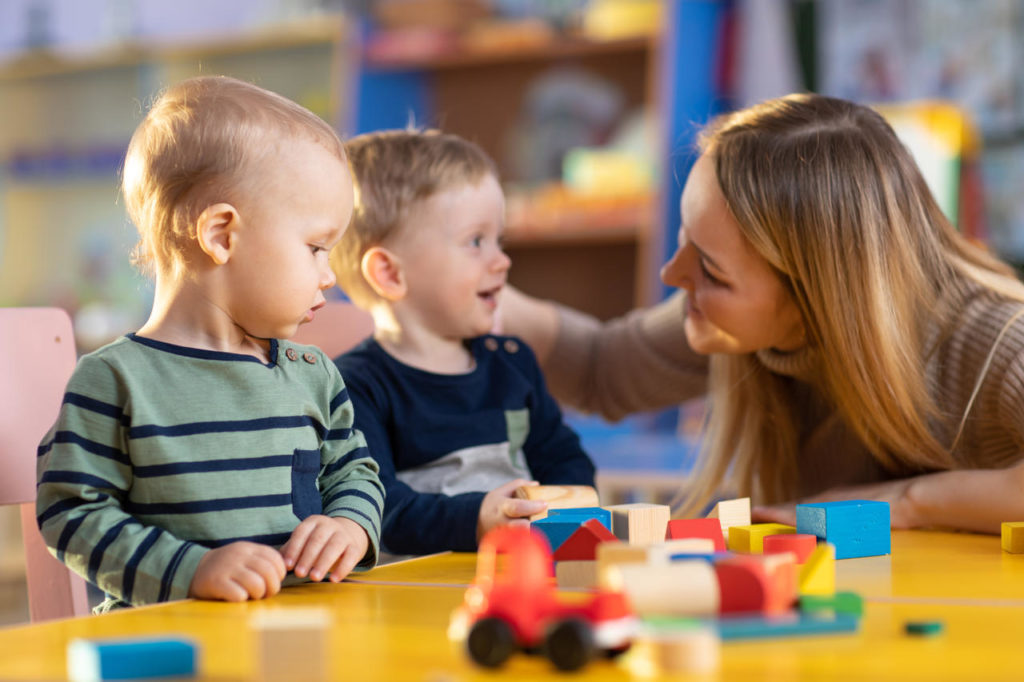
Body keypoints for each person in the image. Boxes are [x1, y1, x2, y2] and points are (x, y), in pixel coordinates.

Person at [501, 93, 1024, 535]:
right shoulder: (736, 323)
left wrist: (906, 502)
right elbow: (602, 368)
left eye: (711, 269)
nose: (672, 275)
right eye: (685, 240)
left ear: (816, 303)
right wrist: (466, 283)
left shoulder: (994, 340)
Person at [36, 76, 385, 610]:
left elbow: (353, 471)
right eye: (316, 247)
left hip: (306, 636)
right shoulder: (112, 381)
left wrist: (350, 525)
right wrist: (192, 569)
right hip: (170, 643)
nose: (329, 275)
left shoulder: (313, 373)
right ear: (222, 234)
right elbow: (71, 514)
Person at [331, 130, 596, 554]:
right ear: (390, 274)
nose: (502, 260)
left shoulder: (513, 363)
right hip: (415, 593)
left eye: (499, 240)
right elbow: (377, 507)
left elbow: (563, 457)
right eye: (476, 241)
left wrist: (570, 508)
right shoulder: (353, 388)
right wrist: (477, 520)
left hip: (518, 576)